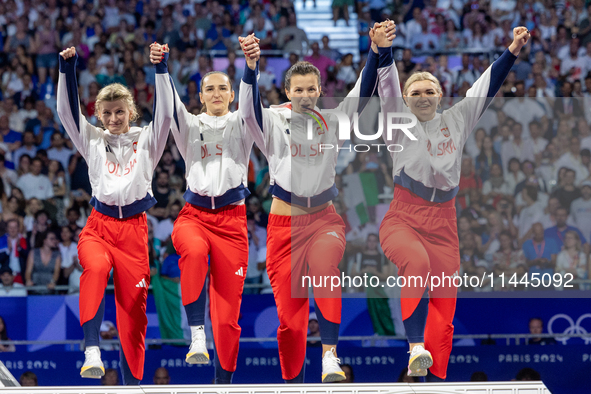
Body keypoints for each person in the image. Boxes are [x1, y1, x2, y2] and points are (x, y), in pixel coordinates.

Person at [238, 22, 395, 383]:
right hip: (284, 228)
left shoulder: (334, 120)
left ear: (320, 90)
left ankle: (329, 356)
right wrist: (250, 67)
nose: (306, 95)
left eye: (312, 88)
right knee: (290, 321)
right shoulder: (274, 120)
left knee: (326, 269)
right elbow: (248, 110)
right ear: (288, 91)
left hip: (325, 220)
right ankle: (292, 383)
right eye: (299, 89)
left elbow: (363, 90)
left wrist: (375, 50)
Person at [377, 25, 530, 379]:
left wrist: (512, 50)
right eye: (415, 91)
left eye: (430, 90)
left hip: (444, 222)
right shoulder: (396, 122)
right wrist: (384, 51)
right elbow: (386, 89)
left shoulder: (457, 120)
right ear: (406, 97)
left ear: (441, 95)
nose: (423, 96)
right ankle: (415, 346)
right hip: (403, 216)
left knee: (445, 314)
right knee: (414, 263)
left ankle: (434, 380)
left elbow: (485, 88)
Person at [56, 44, 173, 385]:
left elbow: (166, 115)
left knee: (134, 315)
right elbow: (66, 113)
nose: (113, 119)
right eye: (106, 114)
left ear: (131, 112)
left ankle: (133, 384)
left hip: (135, 233)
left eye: (119, 112)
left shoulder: (148, 139)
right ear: (99, 115)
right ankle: (91, 350)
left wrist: (161, 69)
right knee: (94, 268)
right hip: (99, 227)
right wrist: (67, 72)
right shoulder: (91, 139)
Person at [152, 40, 252, 384]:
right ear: (200, 95)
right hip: (193, 216)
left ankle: (222, 383)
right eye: (209, 88)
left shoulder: (244, 123)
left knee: (228, 317)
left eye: (223, 88)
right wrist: (161, 67)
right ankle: (197, 334)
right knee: (193, 252)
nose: (216, 93)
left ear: (232, 94)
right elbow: (168, 106)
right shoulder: (190, 125)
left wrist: (250, 65)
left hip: (233, 223)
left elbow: (252, 100)